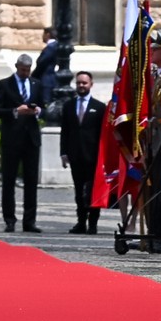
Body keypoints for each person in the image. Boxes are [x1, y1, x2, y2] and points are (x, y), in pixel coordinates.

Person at [0, 52, 42, 233]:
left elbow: (43, 104)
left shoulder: (36, 84)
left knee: (31, 181)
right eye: (22, 70)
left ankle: (29, 221)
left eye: (28, 70)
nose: (25, 73)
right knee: (9, 181)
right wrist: (15, 111)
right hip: (11, 138)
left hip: (31, 138)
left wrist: (37, 111)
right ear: (16, 67)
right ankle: (10, 219)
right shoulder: (4, 84)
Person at [58, 68, 107, 234]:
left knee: (94, 191)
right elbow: (65, 131)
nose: (81, 85)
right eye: (78, 83)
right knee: (79, 191)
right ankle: (81, 222)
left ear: (91, 85)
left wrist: (103, 156)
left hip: (93, 156)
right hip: (75, 155)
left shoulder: (99, 107)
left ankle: (93, 224)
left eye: (84, 83)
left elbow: (103, 134)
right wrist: (63, 152)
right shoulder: (68, 106)